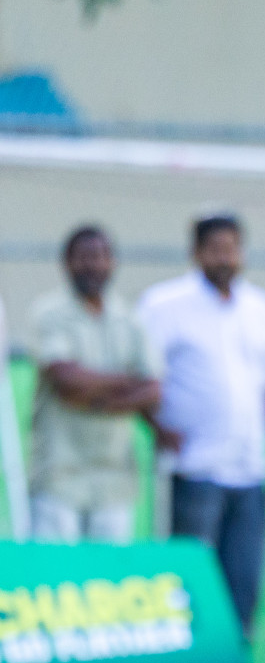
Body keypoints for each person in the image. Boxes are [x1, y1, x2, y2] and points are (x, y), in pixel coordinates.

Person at [139, 214, 265, 637]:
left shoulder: (262, 308)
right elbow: (141, 379)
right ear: (196, 253)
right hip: (195, 466)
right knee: (190, 581)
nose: (224, 258)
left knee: (244, 581)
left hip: (250, 469)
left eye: (232, 248)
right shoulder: (165, 305)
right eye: (215, 248)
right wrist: (157, 429)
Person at [26, 226, 161, 543]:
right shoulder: (49, 313)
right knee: (56, 580)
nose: (92, 265)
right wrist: (128, 385)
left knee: (108, 583)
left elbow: (154, 389)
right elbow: (65, 380)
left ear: (112, 262)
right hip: (59, 476)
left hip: (114, 479)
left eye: (100, 257)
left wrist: (96, 398)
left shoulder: (129, 318)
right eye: (83, 257)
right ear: (66, 263)